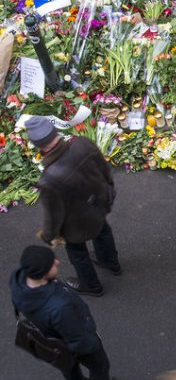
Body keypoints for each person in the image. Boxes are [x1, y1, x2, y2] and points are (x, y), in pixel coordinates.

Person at [9, 245, 138, 380]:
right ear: (41, 274)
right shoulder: (59, 307)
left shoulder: (18, 279)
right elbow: (80, 339)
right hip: (76, 341)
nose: (57, 262)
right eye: (52, 264)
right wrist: (92, 343)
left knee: (67, 364)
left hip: (51, 340)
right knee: (99, 368)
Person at [25, 115, 120, 297]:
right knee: (103, 232)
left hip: (75, 226)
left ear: (38, 146)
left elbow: (54, 216)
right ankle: (111, 263)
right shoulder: (83, 144)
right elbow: (105, 170)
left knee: (78, 254)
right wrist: (108, 193)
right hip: (99, 206)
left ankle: (92, 286)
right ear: (55, 133)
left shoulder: (49, 179)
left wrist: (49, 236)